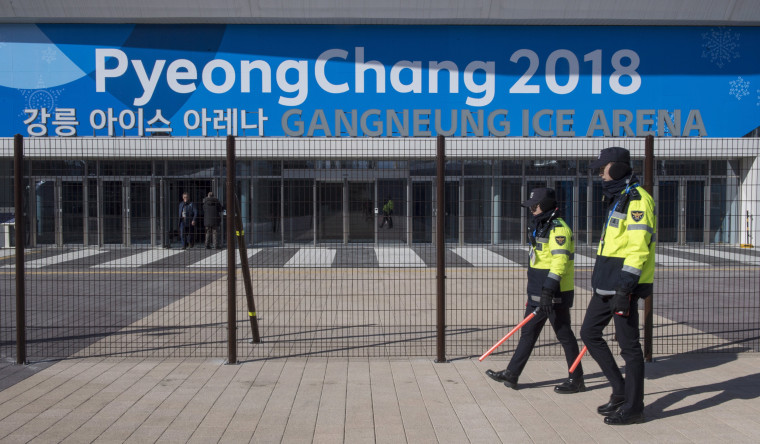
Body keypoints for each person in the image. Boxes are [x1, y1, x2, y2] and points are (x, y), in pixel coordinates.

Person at [580, 146, 656, 426]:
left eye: (603, 168)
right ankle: (620, 390)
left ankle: (634, 407)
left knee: (629, 347)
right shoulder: (619, 198)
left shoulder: (637, 200)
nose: (600, 173)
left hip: (623, 286)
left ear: (619, 167)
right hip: (606, 284)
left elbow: (638, 250)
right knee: (589, 332)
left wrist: (625, 289)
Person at [485, 187, 584, 393]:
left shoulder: (558, 229)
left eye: (535, 206)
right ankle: (512, 374)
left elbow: (559, 262)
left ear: (546, 205)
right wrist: (535, 292)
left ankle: (576, 379)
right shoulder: (541, 225)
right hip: (538, 291)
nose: (532, 210)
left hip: (554, 293)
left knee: (564, 333)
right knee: (528, 332)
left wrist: (548, 291)